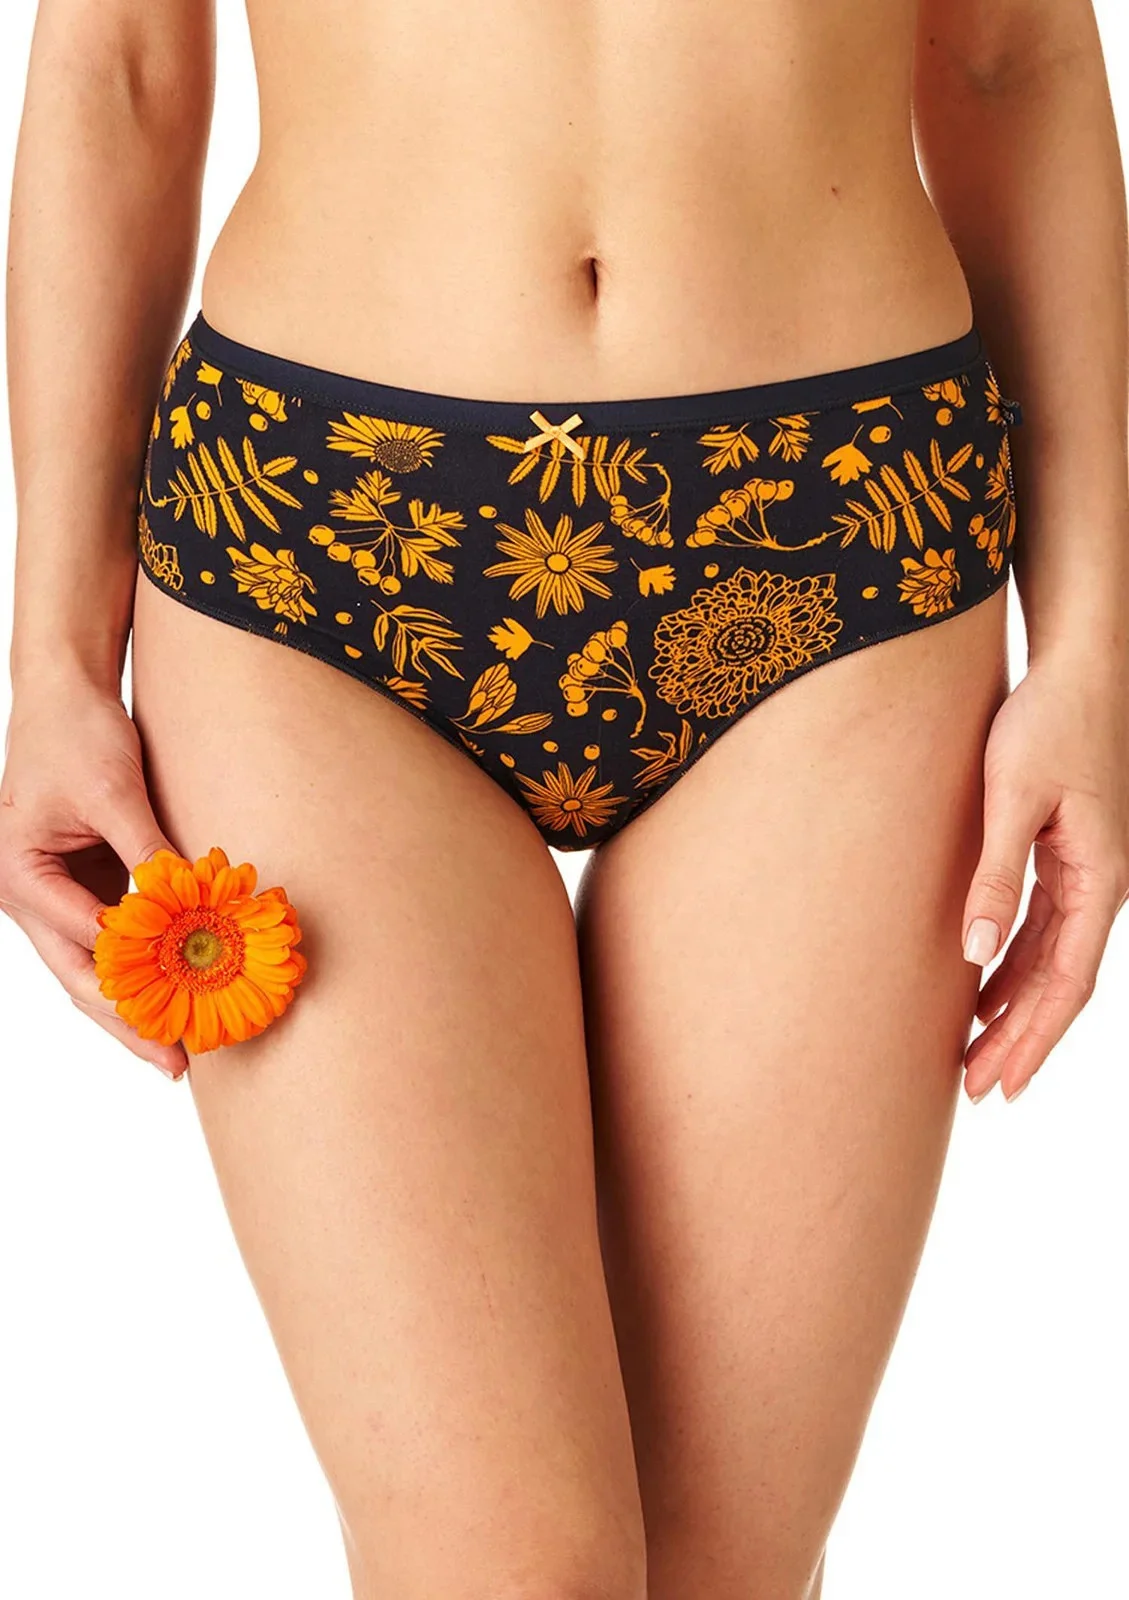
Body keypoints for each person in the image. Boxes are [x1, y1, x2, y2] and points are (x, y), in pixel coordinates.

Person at [2, 1, 1127, 1596]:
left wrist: (1093, 655)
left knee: (722, 1569)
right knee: (501, 1565)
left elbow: (1014, 56)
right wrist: (52, 654)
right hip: (316, 550)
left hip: (844, 536)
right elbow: (117, 59)